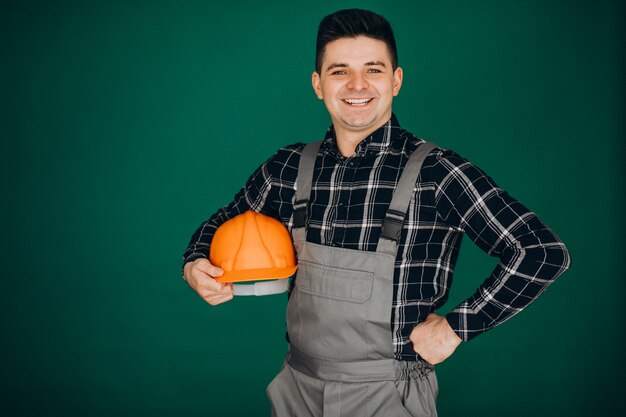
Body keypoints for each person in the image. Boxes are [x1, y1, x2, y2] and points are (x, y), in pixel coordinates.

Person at [182, 9, 571, 417]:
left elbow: (542, 252)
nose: (357, 85)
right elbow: (220, 224)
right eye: (339, 71)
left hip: (389, 396)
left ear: (396, 80)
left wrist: (459, 325)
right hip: (297, 388)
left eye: (373, 69)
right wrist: (194, 264)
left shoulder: (437, 172)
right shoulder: (288, 168)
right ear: (317, 85)